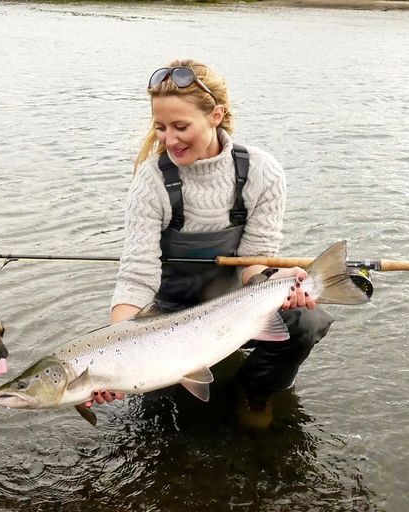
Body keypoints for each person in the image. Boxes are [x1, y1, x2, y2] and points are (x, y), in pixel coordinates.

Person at [86, 59, 333, 427]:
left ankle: (256, 390)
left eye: (180, 126)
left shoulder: (263, 172)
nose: (169, 140)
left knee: (306, 320)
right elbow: (137, 274)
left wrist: (281, 283)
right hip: (166, 317)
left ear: (216, 116)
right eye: (161, 128)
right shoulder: (151, 181)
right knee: (156, 422)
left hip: (238, 310)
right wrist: (113, 354)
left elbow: (254, 262)